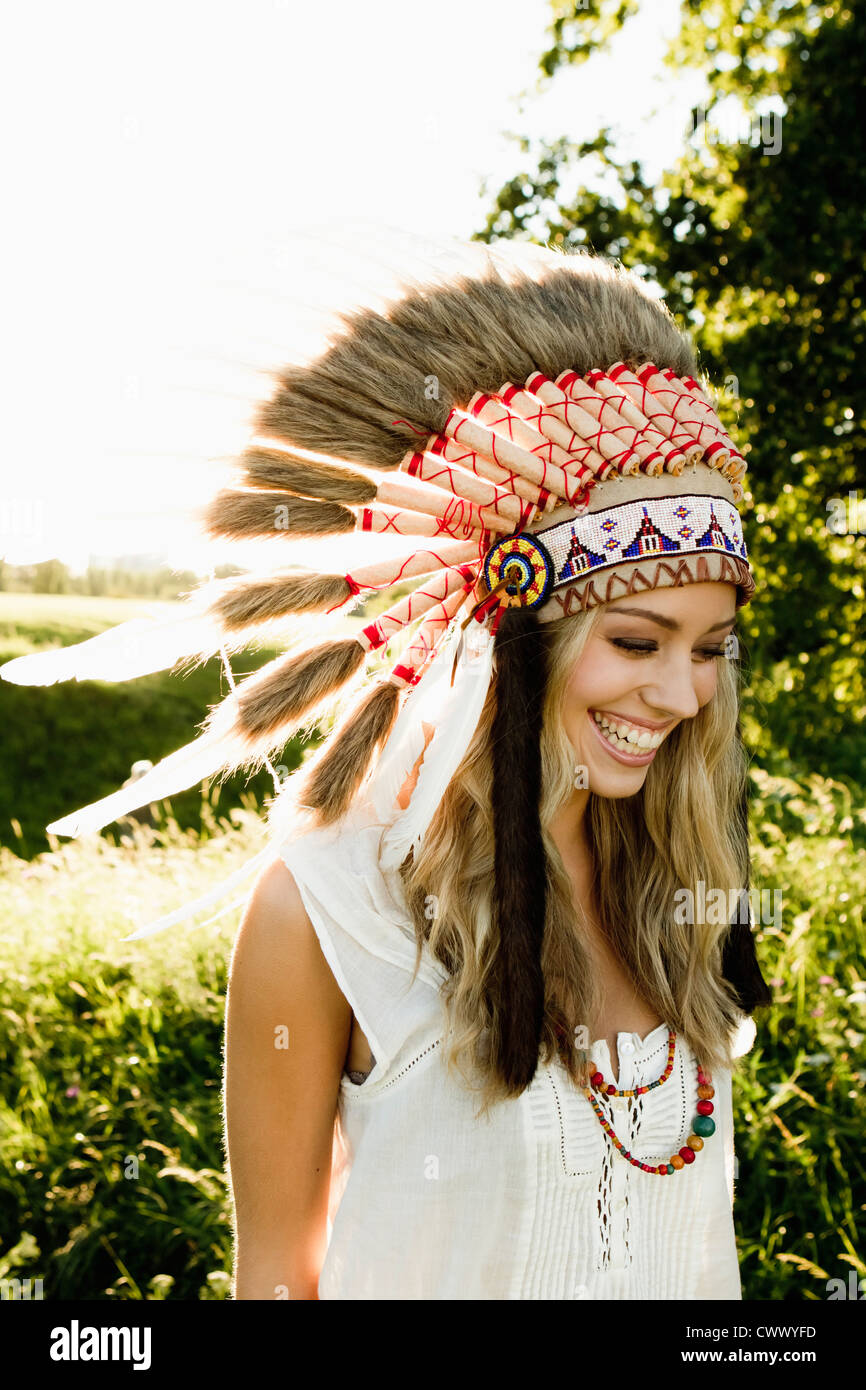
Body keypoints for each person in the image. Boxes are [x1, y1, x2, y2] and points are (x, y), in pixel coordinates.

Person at [1, 236, 771, 1299]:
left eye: (704, 650)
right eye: (635, 643)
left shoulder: (668, 888)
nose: (680, 696)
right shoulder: (329, 904)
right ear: (510, 626)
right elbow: (278, 1276)